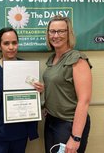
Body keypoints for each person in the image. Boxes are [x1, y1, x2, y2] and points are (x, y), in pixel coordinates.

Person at [0, 27, 44, 153]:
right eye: (6, 43)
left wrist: (39, 90)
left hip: (20, 132)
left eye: (14, 43)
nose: (11, 47)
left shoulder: (27, 68)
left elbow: (33, 94)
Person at [43, 15, 92, 153]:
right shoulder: (52, 59)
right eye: (52, 31)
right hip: (51, 121)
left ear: (69, 33)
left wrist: (75, 137)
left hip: (68, 125)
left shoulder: (78, 59)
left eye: (61, 31)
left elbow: (84, 101)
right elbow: (58, 87)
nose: (56, 35)